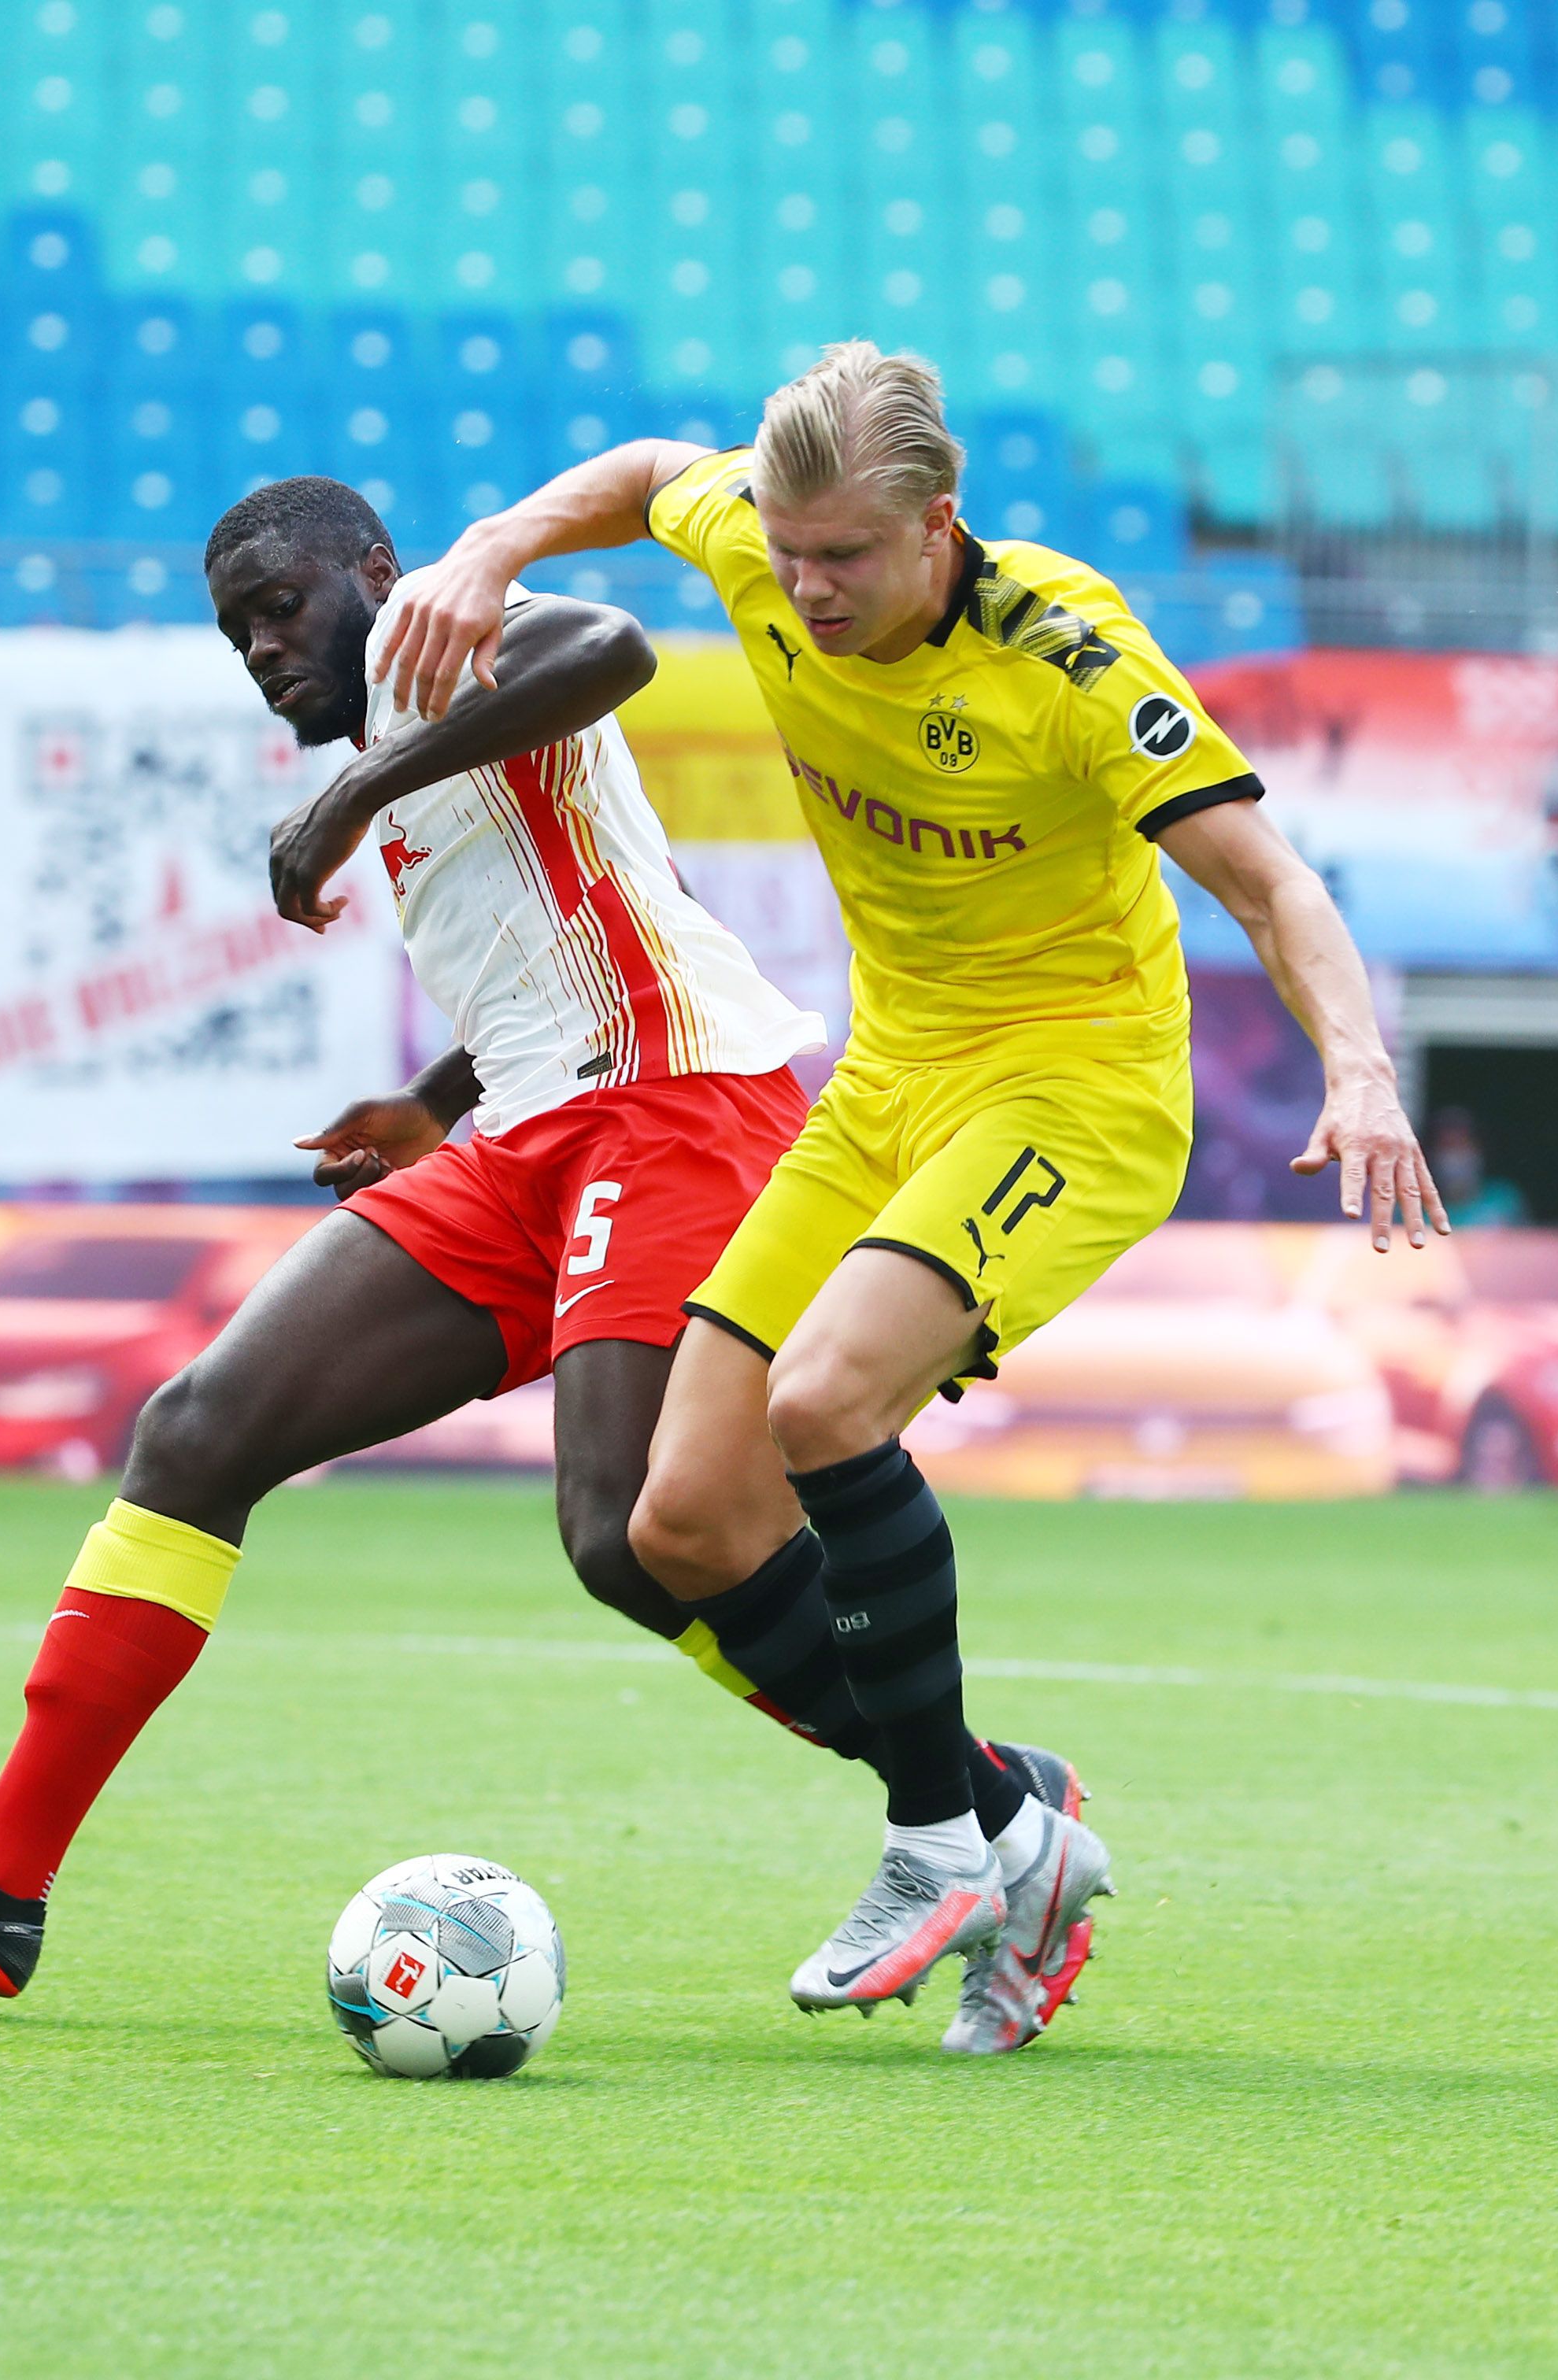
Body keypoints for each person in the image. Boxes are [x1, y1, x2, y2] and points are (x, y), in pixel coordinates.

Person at [0, 477, 1095, 2042]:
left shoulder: (450, 631)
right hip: (525, 1130)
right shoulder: (417, 736)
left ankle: (989, 1819)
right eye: (234, 629)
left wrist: (348, 791)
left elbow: (612, 646)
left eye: (281, 606)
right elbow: (595, 915)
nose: (260, 647)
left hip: (670, 1112)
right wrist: (432, 1101)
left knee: (628, 1532)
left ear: (372, 573)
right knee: (197, 1431)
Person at [373, 342, 1448, 2052]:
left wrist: (1362, 1071)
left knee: (822, 1402)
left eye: (846, 559)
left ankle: (938, 1842)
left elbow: (1269, 881)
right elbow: (651, 470)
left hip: (1072, 1089)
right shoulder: (762, 540)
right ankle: (1024, 1843)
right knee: (680, 1522)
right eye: (788, 554)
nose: (805, 588)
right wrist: (490, 550)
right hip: (890, 1083)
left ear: (940, 524)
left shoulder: (1071, 655)